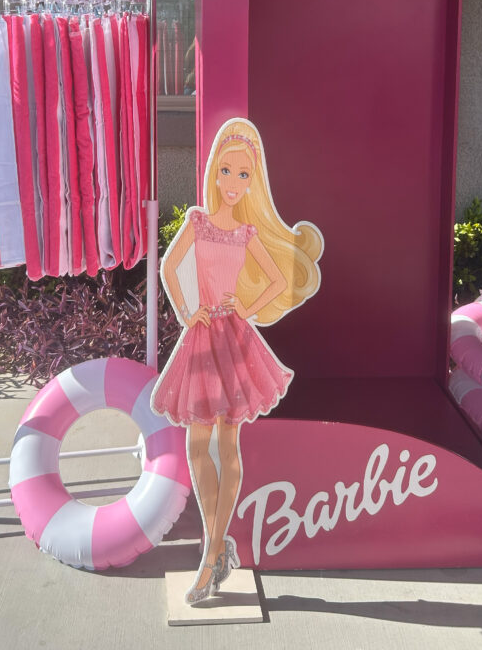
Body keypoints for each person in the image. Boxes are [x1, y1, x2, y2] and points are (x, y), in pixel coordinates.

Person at [151, 118, 323, 604]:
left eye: (243, 176)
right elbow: (168, 266)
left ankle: (211, 556)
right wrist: (188, 311)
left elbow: (275, 280)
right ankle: (217, 542)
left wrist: (242, 309)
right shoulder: (198, 221)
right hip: (203, 336)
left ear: (253, 182)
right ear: (213, 173)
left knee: (227, 445)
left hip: (233, 337)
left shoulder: (247, 232)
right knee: (196, 445)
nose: (232, 183)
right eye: (226, 172)